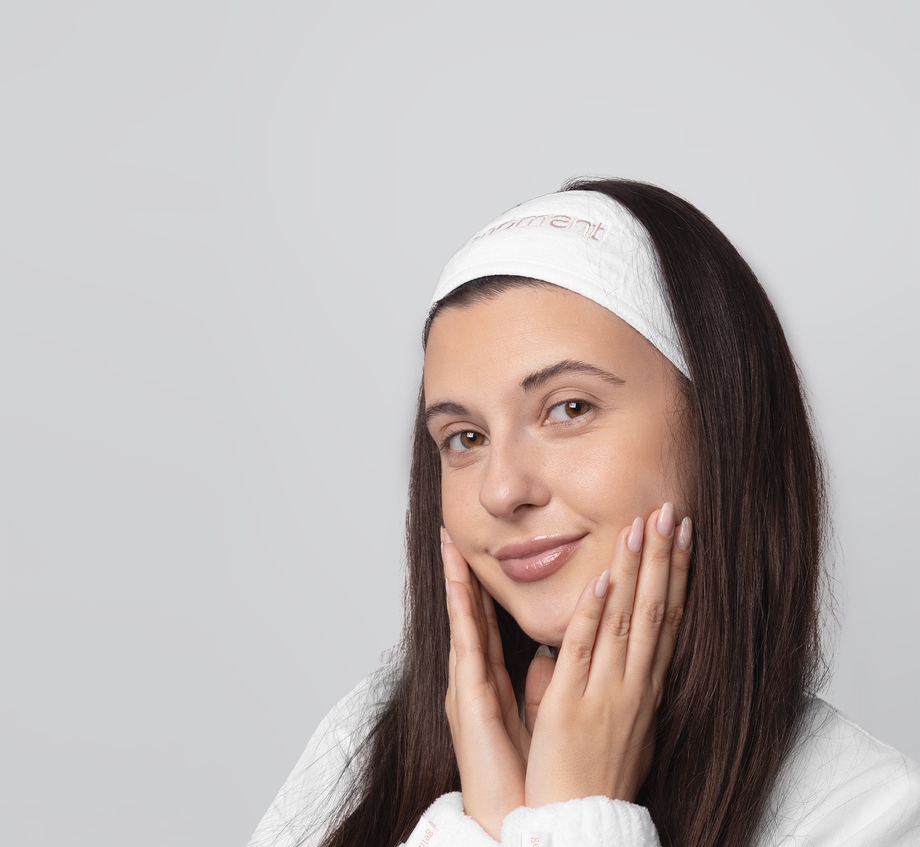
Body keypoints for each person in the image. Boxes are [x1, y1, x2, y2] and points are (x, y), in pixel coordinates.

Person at [247, 179, 919, 847]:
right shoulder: (361, 742)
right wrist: (484, 823)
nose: (500, 491)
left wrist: (577, 816)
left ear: (721, 428)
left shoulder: (871, 813)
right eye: (466, 438)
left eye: (569, 408)